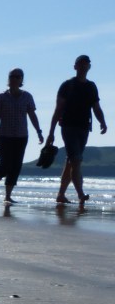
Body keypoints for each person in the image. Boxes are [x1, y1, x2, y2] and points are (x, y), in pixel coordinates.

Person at [44, 55, 107, 206]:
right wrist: (51, 132)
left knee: (71, 162)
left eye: (86, 64)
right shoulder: (67, 85)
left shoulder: (91, 86)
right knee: (76, 160)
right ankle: (81, 194)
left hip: (84, 127)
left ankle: (61, 195)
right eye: (81, 64)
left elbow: (96, 107)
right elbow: (58, 109)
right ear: (75, 67)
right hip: (68, 127)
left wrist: (103, 122)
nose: (84, 66)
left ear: (89, 67)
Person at [0, 68, 43, 203]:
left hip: (21, 136)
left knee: (16, 165)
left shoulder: (27, 96)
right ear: (8, 79)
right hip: (4, 135)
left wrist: (39, 131)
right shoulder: (1, 97)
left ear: (21, 79)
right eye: (12, 76)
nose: (14, 79)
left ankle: (8, 196)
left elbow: (32, 115)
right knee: (4, 164)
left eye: (17, 76)